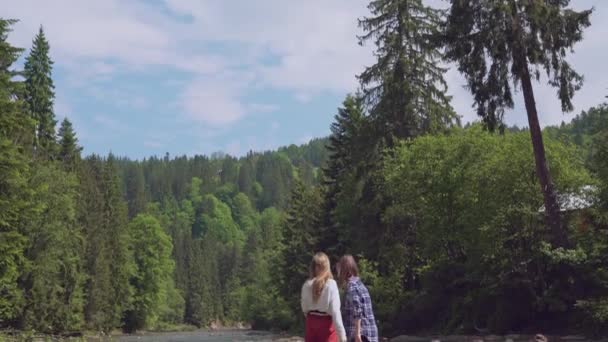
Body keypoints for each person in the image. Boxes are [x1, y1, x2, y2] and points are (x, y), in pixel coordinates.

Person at [301, 252, 347, 342]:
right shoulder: (331, 284)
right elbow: (335, 311)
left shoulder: (306, 285)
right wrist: (342, 337)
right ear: (327, 267)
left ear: (313, 267)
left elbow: (304, 308)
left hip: (311, 322)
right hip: (326, 325)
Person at [337, 255, 378, 342]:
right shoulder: (360, 285)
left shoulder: (352, 287)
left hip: (361, 336)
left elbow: (357, 311)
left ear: (344, 270)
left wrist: (357, 334)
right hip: (370, 334)